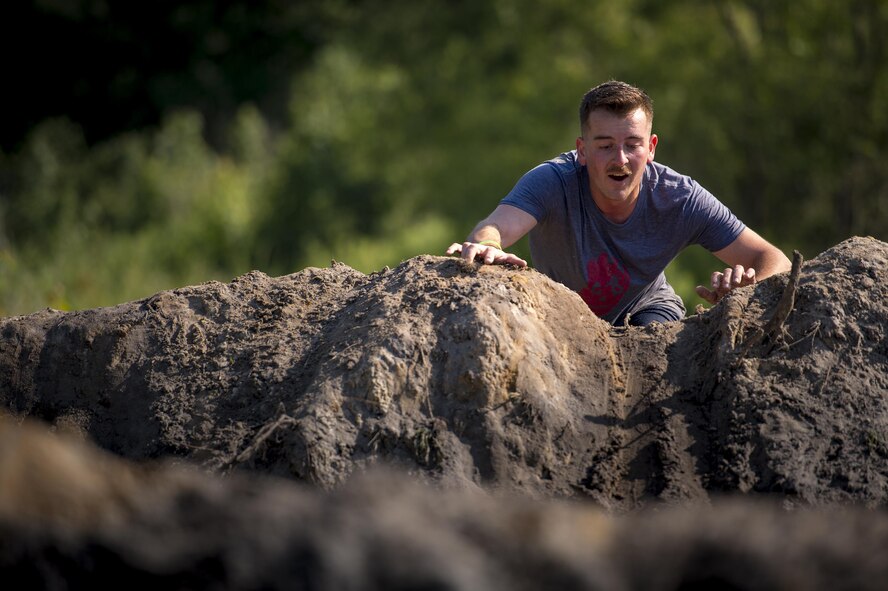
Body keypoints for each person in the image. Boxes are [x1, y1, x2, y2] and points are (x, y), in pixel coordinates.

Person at [446, 80, 791, 326]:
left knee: (651, 341)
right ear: (582, 150)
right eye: (605, 145)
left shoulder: (680, 198)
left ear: (652, 148)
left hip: (648, 311)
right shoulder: (552, 181)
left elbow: (774, 260)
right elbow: (496, 227)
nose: (621, 159)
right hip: (557, 316)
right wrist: (488, 245)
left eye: (633, 144)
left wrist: (744, 295)